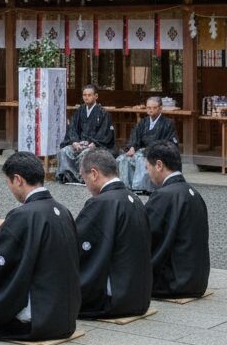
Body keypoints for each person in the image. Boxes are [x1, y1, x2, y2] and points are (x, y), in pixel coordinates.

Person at [0, 152, 80, 341]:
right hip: (65, 317)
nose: (9, 187)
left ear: (17, 179)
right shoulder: (63, 211)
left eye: (8, 182)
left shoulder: (22, 215)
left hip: (36, 320)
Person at [75, 148, 152, 319]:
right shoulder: (135, 199)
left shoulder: (101, 203)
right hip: (139, 297)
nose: (85, 184)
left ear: (94, 174)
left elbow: (76, 245)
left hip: (114, 299)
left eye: (84, 177)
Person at [144, 141, 210, 299]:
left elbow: (144, 235)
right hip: (197, 281)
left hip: (173, 283)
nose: (147, 173)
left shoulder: (164, 196)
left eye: (147, 167)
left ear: (159, 165)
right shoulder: (194, 193)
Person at [117, 96, 178, 194]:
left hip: (157, 152)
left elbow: (169, 142)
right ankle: (126, 186)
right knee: (124, 158)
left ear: (160, 108)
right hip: (141, 150)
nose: (151, 110)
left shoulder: (168, 123)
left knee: (142, 159)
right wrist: (132, 147)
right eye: (148, 108)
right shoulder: (143, 122)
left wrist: (152, 150)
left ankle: (140, 187)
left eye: (154, 108)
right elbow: (135, 136)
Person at [55, 85, 114, 184]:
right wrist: (74, 142)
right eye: (84, 95)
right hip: (80, 142)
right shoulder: (80, 111)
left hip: (95, 144)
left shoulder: (103, 113)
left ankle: (82, 178)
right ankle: (68, 176)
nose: (86, 97)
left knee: (86, 153)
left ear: (96, 96)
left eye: (89, 95)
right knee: (64, 151)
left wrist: (94, 144)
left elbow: (105, 133)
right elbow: (72, 128)